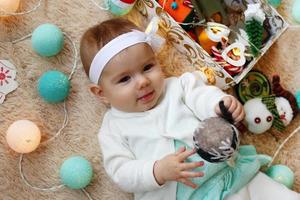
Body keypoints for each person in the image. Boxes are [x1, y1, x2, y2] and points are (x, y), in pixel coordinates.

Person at [80, 18, 299, 200]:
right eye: (125, 79)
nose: (143, 82)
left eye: (147, 67)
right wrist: (156, 171)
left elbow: (202, 96)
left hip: (230, 176)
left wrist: (220, 104)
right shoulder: (112, 129)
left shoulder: (178, 86)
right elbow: (121, 172)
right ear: (101, 93)